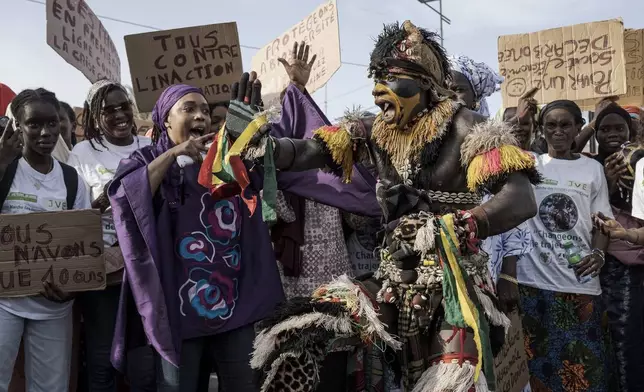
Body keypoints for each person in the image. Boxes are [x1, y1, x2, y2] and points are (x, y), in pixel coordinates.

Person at [231, 22, 540, 391]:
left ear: (425, 82)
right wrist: (259, 141)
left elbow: (521, 198)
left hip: (454, 287)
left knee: (450, 380)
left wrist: (458, 227)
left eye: (391, 78)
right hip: (393, 280)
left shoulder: (468, 129)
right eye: (376, 78)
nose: (379, 90)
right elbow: (305, 151)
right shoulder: (374, 131)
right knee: (300, 331)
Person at [67, 79, 156, 392]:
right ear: (95, 117)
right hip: (103, 273)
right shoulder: (82, 153)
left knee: (144, 363)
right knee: (103, 359)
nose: (119, 115)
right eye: (109, 110)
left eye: (123, 107)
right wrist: (105, 199)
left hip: (144, 273)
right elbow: (74, 216)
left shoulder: (149, 148)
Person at [0, 88, 91, 392]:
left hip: (53, 307)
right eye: (34, 124)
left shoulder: (71, 180)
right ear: (17, 127)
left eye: (52, 123)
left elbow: (83, 243)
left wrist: (72, 289)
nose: (45, 132)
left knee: (51, 388)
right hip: (4, 303)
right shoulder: (6, 169)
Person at [518, 100, 612, 391]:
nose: (558, 132)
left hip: (579, 282)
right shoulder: (529, 165)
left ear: (578, 128)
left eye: (565, 125)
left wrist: (598, 253)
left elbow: (602, 220)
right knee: (537, 368)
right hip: (533, 283)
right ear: (542, 129)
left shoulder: (592, 169)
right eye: (551, 125)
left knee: (583, 370)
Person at [588, 103, 644, 391]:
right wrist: (606, 183)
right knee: (601, 333)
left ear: (630, 130)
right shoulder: (590, 164)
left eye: (618, 128)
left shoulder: (638, 159)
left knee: (627, 336)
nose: (611, 134)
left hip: (629, 262)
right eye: (604, 129)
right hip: (597, 262)